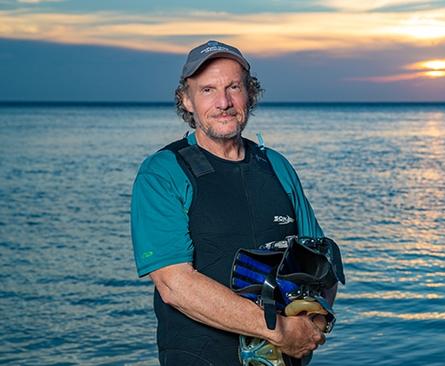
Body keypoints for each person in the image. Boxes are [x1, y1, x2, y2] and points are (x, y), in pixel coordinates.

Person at [130, 40, 331, 365]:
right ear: (187, 99)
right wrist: (278, 330)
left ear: (249, 94)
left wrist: (312, 324)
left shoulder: (276, 165)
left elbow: (319, 260)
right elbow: (174, 284)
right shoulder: (163, 172)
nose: (223, 102)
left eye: (233, 87)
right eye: (208, 89)